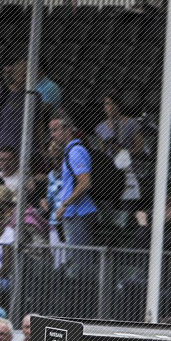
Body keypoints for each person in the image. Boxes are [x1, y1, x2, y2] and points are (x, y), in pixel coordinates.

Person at [48, 116, 98, 272]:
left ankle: (83, 287)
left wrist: (65, 204)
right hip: (72, 213)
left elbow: (85, 182)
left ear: (67, 129)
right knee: (74, 259)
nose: (52, 135)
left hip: (78, 213)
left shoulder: (75, 151)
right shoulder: (69, 151)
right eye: (51, 131)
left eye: (55, 130)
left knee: (80, 262)